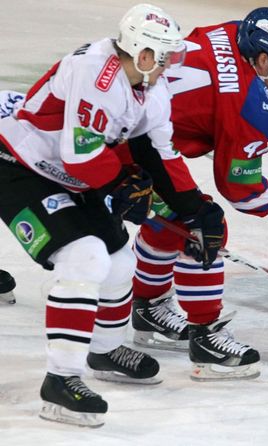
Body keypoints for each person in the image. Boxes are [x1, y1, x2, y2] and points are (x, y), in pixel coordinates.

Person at [0, 3, 204, 426]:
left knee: (120, 262)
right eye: (165, 56)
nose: (171, 64)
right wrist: (120, 183)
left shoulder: (151, 85)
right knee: (85, 257)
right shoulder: (97, 73)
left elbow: (161, 152)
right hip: (18, 163)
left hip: (69, 173)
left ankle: (105, 351)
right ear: (144, 55)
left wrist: (196, 208)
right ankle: (60, 381)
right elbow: (80, 154)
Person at [128, 7, 268, 381]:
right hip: (136, 144)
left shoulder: (230, 30)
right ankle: (205, 337)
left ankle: (148, 308)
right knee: (204, 225)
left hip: (132, 128)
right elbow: (239, 188)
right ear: (263, 58)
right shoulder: (251, 105)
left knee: (170, 218)